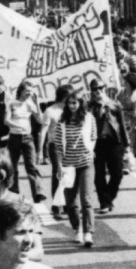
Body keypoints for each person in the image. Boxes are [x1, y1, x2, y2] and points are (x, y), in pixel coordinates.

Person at [45, 89, 96, 248]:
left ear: (81, 104)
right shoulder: (62, 120)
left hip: (85, 163)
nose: (72, 106)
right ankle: (77, 228)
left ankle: (88, 232)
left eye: (75, 103)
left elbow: (94, 137)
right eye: (69, 103)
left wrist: (90, 150)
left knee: (86, 199)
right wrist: (59, 166)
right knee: (71, 202)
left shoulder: (88, 118)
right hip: (68, 165)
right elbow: (58, 145)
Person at [89, 82, 128, 214]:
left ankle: (109, 197)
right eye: (94, 89)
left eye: (100, 88)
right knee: (98, 174)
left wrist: (127, 146)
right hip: (97, 144)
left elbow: (122, 125)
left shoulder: (114, 104)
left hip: (114, 142)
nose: (97, 91)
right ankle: (104, 202)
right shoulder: (89, 107)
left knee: (117, 173)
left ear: (104, 89)